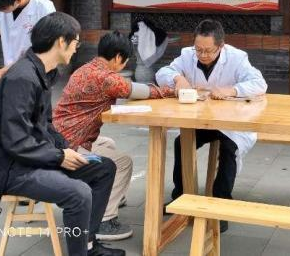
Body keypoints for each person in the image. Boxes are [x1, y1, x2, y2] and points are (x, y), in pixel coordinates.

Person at [0, 12, 124, 256]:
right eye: (76, 42)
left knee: (104, 168)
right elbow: (16, 141)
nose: (76, 48)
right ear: (61, 41)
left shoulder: (45, 72)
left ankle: (88, 245)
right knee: (78, 193)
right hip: (12, 167)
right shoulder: (22, 77)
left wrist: (66, 149)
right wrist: (59, 157)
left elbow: (46, 124)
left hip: (35, 157)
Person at [53, 31, 173, 241]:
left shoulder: (85, 69)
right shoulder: (106, 78)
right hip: (70, 146)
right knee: (123, 162)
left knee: (108, 143)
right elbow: (143, 91)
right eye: (124, 61)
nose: (123, 65)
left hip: (58, 138)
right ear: (118, 57)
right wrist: (174, 91)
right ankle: (104, 220)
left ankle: (108, 196)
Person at [156, 19, 267, 233]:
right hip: (202, 119)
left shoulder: (237, 57)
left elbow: (259, 83)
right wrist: (177, 78)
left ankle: (220, 206)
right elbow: (162, 73)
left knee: (229, 148)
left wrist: (231, 90)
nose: (203, 55)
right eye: (199, 50)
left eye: (208, 51)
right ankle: (181, 196)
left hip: (231, 121)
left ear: (221, 46)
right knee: (182, 142)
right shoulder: (187, 55)